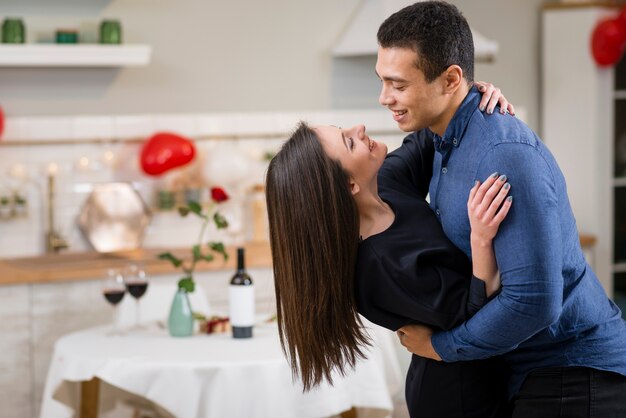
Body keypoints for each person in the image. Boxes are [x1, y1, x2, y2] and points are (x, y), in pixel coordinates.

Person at [374, 2, 626, 417]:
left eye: (398, 84)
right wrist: (471, 93)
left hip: (574, 375)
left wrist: (441, 347)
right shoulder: (442, 136)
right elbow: (384, 176)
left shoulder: (503, 153)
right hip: (527, 373)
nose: (385, 98)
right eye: (383, 81)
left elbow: (535, 303)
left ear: (450, 78)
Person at [266, 95, 514, 415]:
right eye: (349, 141)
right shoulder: (380, 270)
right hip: (459, 400)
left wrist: (469, 93)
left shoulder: (385, 183)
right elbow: (474, 316)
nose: (360, 128)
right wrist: (481, 239)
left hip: (487, 378)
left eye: (345, 129)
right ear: (350, 185)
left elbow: (429, 133)